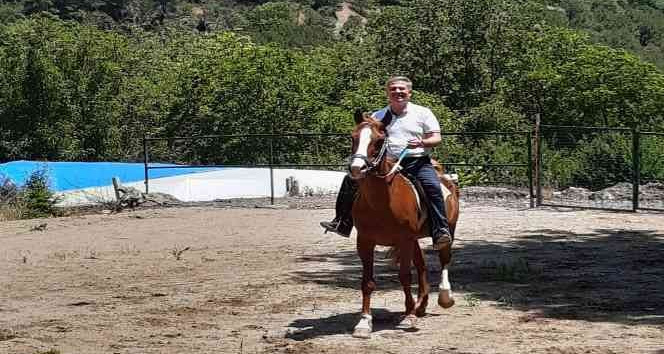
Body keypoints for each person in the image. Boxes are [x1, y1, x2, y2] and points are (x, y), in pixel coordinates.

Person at [320, 76, 452, 250]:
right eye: (393, 89)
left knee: (433, 187)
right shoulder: (378, 115)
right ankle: (342, 222)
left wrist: (422, 142)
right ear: (388, 93)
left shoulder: (423, 112)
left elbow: (436, 138)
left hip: (416, 162)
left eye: (401, 89)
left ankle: (439, 230)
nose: (398, 92)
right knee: (350, 180)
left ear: (409, 93)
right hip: (385, 164)